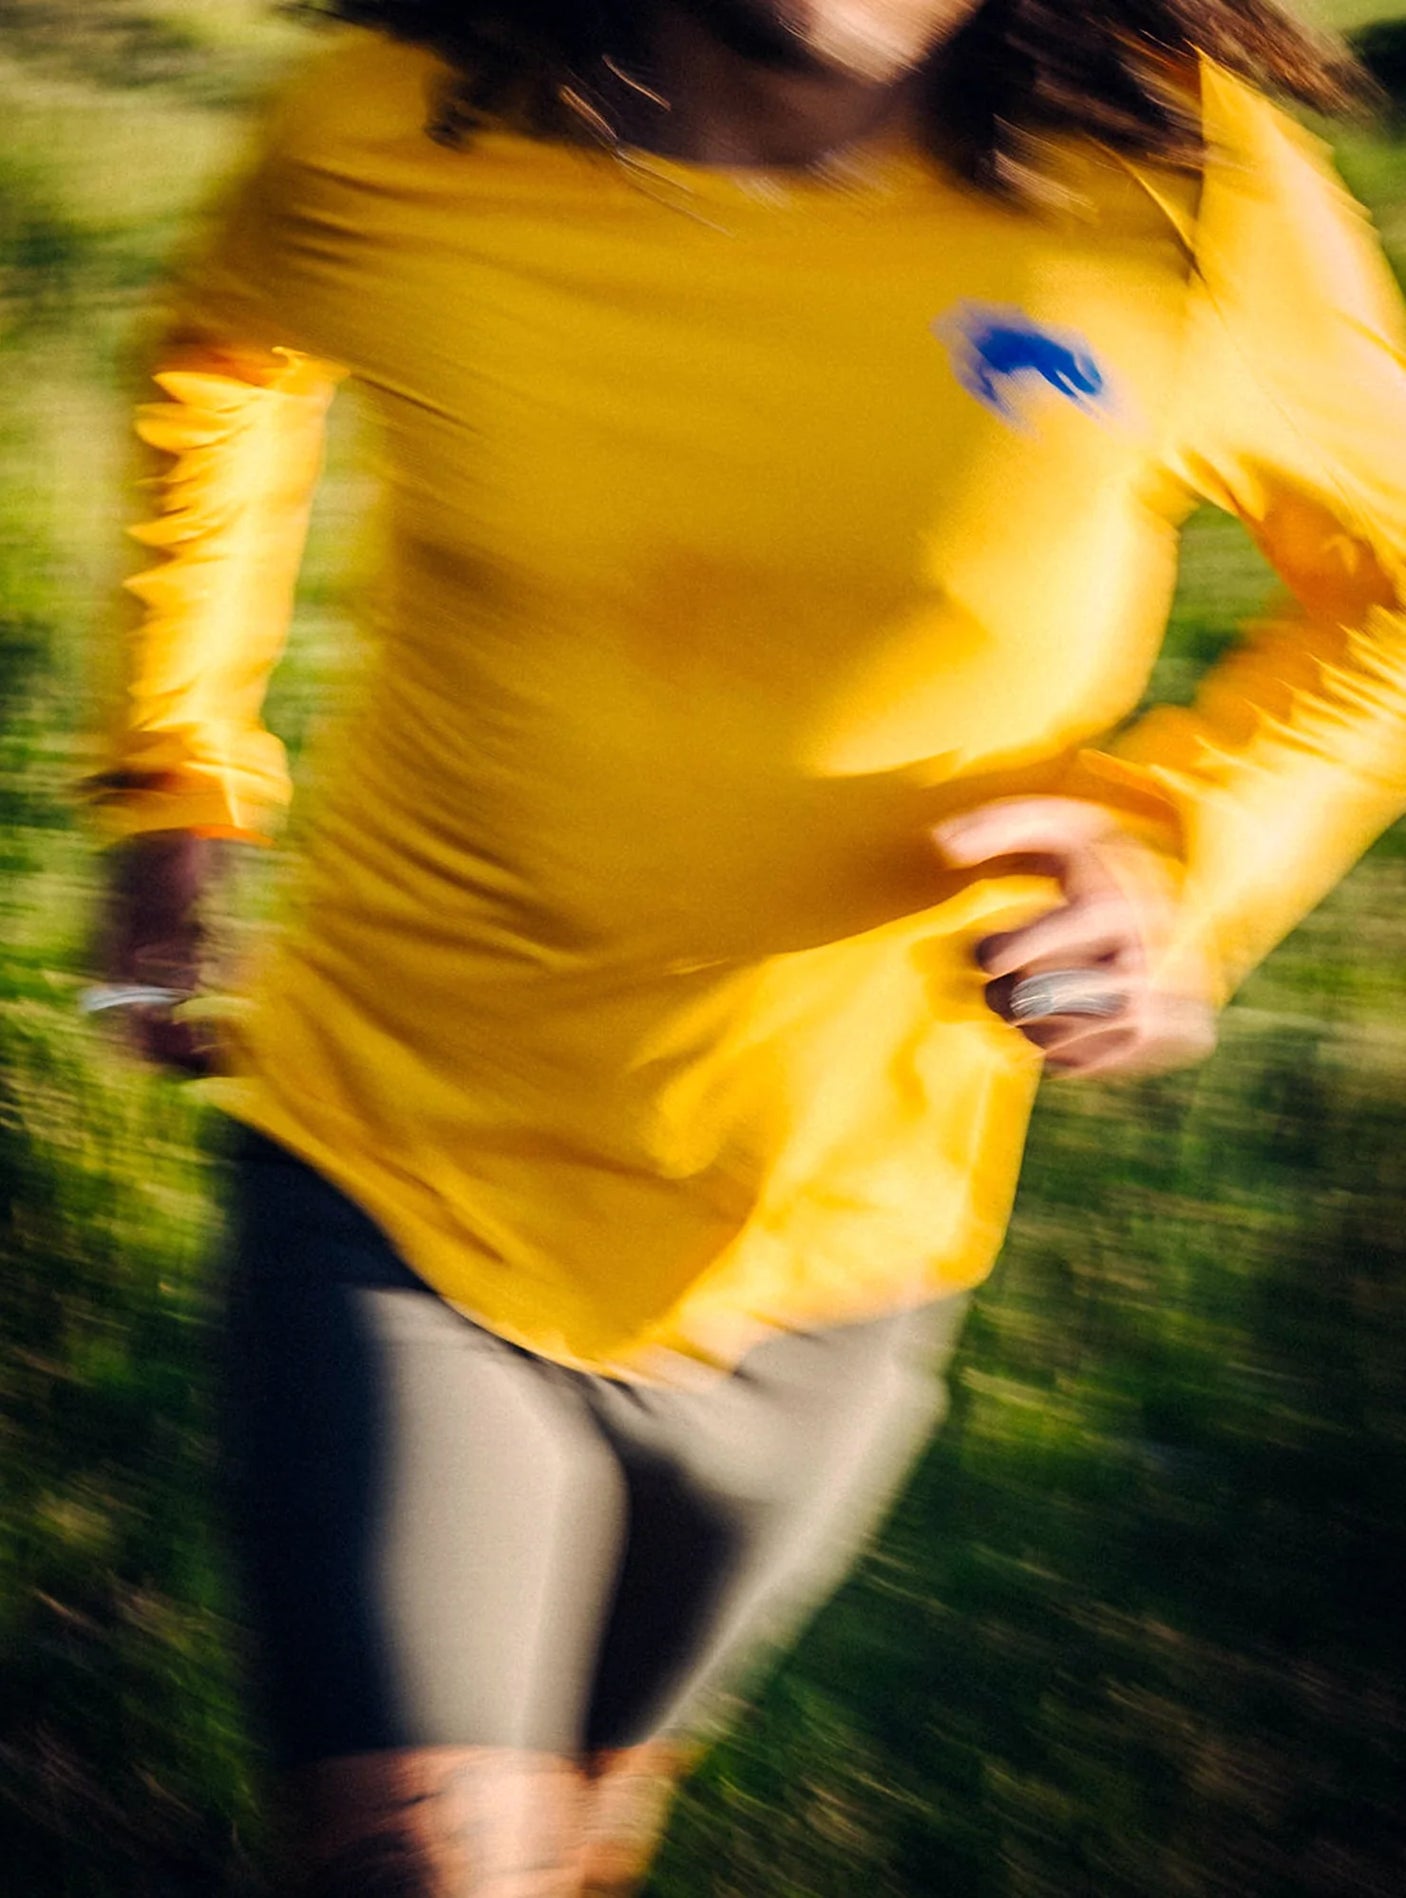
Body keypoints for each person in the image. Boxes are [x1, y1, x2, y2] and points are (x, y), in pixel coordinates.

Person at [86, 2, 1406, 1892]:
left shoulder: (1186, 197)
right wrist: (178, 768)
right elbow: (221, 357)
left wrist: (1181, 852)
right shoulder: (394, 131)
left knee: (581, 1832)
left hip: (842, 1240)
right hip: (401, 1158)